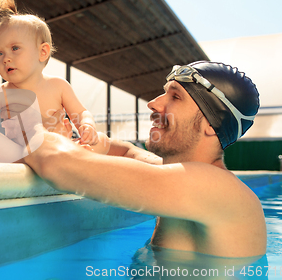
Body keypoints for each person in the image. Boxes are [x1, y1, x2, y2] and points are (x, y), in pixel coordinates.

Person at [24, 61, 265, 258]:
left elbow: (57, 164)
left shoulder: (216, 188)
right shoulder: (176, 176)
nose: (153, 103)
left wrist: (32, 129)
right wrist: (83, 140)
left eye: (175, 97)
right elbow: (128, 152)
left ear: (214, 124)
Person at [0, 0, 110, 163]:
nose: (5, 58)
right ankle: (34, 163)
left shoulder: (58, 85)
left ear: (42, 52)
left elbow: (81, 112)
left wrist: (87, 126)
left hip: (59, 151)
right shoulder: (1, 94)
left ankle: (68, 159)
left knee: (102, 140)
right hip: (21, 155)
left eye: (15, 48)